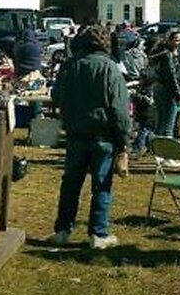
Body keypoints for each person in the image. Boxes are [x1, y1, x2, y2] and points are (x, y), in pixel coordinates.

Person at [48, 25, 131, 250]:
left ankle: (62, 230)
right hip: (102, 136)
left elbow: (55, 96)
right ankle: (98, 233)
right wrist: (124, 142)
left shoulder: (70, 66)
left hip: (75, 135)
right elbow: (120, 110)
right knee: (101, 186)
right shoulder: (109, 68)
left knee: (70, 185)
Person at [151, 30, 180, 138]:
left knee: (160, 121)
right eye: (176, 40)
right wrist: (178, 95)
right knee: (167, 125)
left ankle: (156, 149)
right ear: (169, 40)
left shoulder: (161, 52)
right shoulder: (167, 55)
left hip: (158, 88)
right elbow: (171, 76)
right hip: (167, 90)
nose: (178, 43)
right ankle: (165, 150)